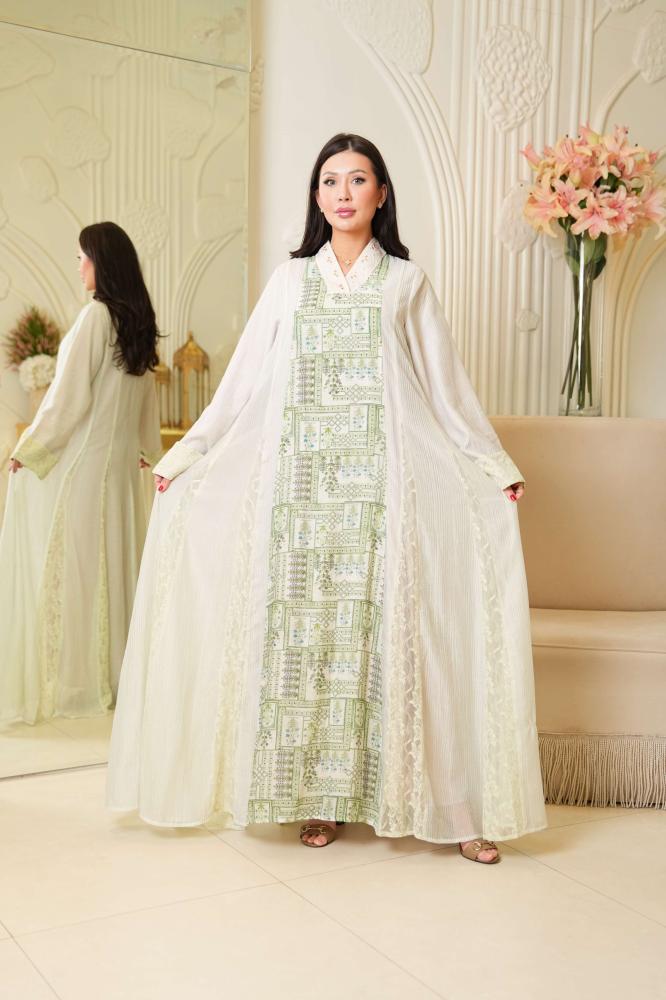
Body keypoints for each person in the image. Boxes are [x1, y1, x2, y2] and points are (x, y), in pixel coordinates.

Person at [107, 135, 546, 863]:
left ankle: (453, 808)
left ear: (381, 193)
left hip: (388, 494)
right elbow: (242, 383)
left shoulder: (406, 283)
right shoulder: (289, 282)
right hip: (301, 495)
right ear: (316, 197)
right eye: (330, 181)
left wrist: (490, 462)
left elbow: (446, 388)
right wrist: (190, 455)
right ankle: (319, 798)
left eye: (358, 179)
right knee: (308, 644)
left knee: (408, 640)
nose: (344, 193)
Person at [0, 221, 162, 724]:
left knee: (80, 573)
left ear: (101, 262)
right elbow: (145, 402)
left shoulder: (96, 316)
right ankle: (111, 677)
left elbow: (68, 398)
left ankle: (81, 685)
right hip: (121, 471)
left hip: (90, 469)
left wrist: (30, 450)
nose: (79, 268)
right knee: (114, 566)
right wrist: (147, 449)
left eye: (82, 257)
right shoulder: (138, 322)